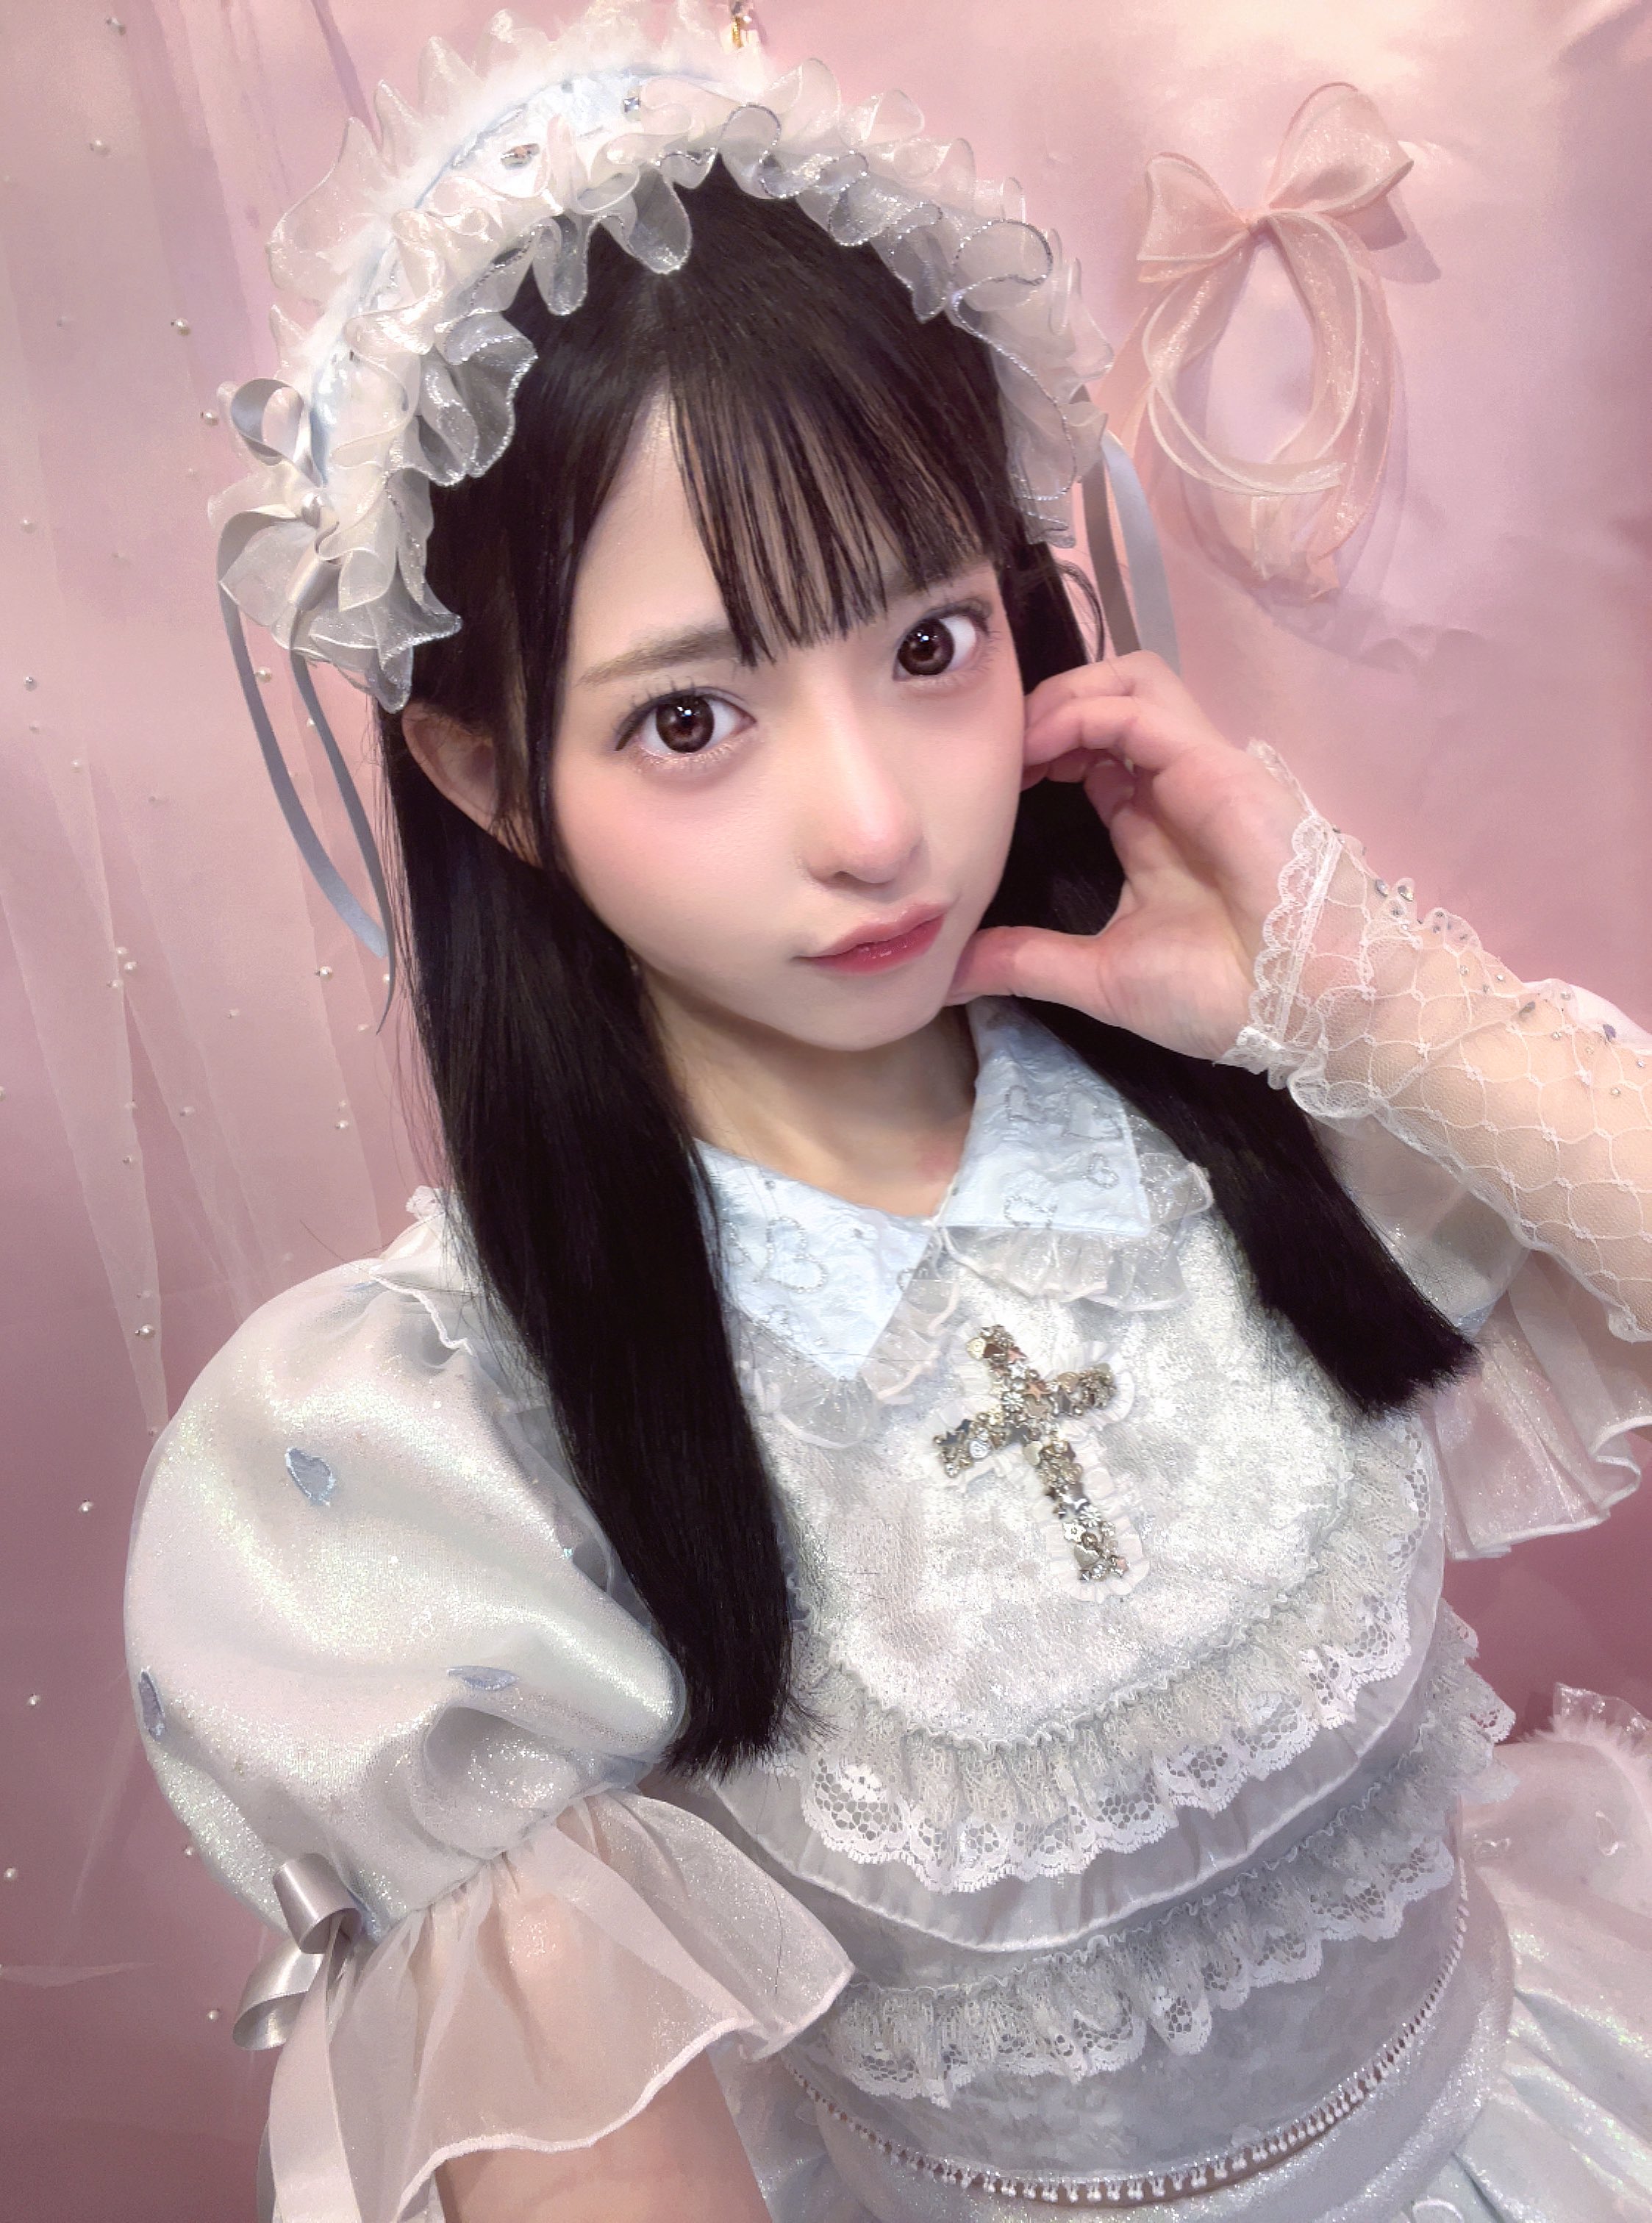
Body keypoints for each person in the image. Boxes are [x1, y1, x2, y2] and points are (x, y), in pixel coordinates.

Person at [125, 7, 1652, 2219]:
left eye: (929, 647)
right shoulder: (440, 1450)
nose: (871, 825)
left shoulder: (1272, 1105)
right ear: (486, 775)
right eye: (691, 720)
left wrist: (1354, 996)